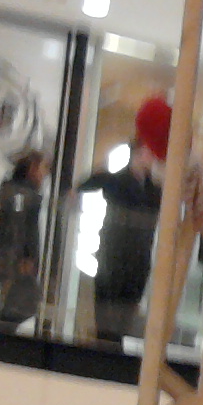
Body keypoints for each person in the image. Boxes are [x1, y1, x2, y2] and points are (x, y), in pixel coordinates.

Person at [77, 144, 163, 346]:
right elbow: (88, 184)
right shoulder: (116, 180)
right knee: (109, 308)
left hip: (138, 257)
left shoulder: (153, 188)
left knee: (127, 309)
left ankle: (115, 343)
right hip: (114, 254)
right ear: (136, 154)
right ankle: (105, 345)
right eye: (147, 153)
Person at [0, 150, 49, 330]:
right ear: (32, 169)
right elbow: (21, 227)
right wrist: (26, 256)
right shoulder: (23, 196)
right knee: (23, 302)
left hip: (14, 257)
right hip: (17, 259)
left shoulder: (16, 193)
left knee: (21, 302)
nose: (44, 174)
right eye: (41, 169)